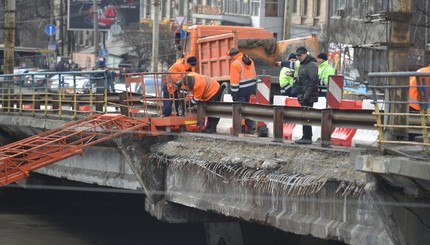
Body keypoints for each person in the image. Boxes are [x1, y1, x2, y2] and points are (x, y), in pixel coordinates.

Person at [227, 47, 257, 133]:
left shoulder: (235, 64)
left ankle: (242, 128)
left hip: (241, 90)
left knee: (239, 109)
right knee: (246, 107)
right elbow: (254, 74)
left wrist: (234, 94)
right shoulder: (249, 60)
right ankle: (251, 126)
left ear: (232, 55)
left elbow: (234, 82)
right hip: (250, 87)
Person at [294, 46, 319, 144]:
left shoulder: (311, 65)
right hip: (304, 95)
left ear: (305, 54)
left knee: (306, 115)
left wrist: (306, 96)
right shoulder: (304, 65)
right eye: (297, 56)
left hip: (308, 95)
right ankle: (306, 136)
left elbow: (313, 81)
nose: (298, 57)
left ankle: (307, 137)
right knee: (304, 116)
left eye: (300, 55)